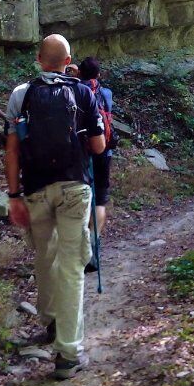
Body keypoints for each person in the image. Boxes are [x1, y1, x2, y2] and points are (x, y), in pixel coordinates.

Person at [6, 34, 106, 380]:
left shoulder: (22, 94)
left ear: (37, 59)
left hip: (34, 190)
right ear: (69, 60)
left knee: (45, 257)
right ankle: (67, 353)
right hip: (73, 188)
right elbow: (97, 146)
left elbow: (13, 149)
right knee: (71, 266)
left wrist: (13, 195)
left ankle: (49, 322)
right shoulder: (83, 92)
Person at [76, 56, 114, 272]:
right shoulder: (106, 93)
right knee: (99, 200)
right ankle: (93, 245)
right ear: (98, 74)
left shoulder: (74, 91)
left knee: (82, 198)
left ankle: (81, 251)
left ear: (79, 73)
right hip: (103, 150)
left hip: (81, 152)